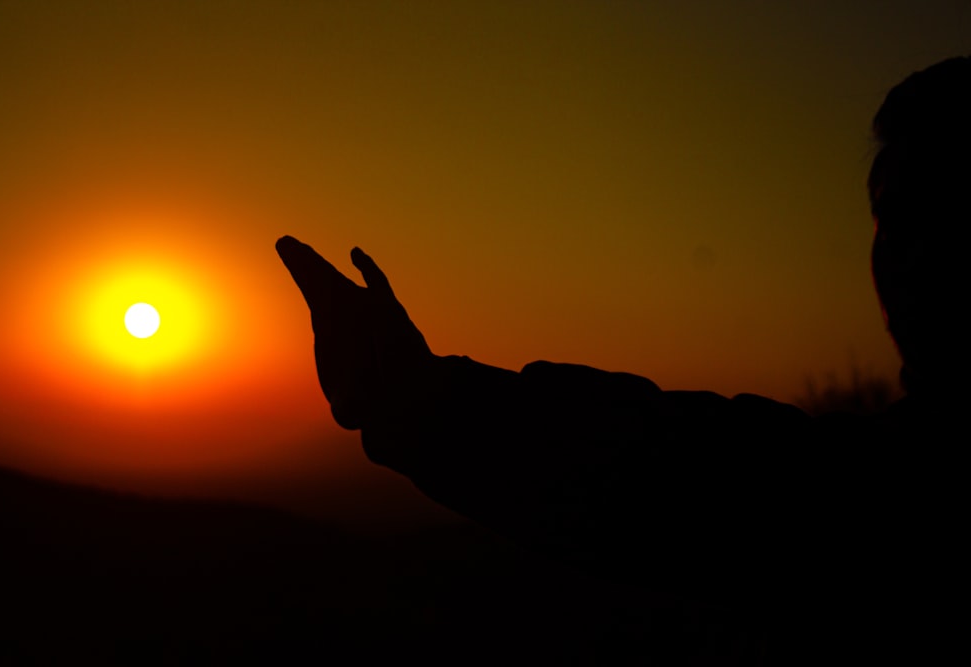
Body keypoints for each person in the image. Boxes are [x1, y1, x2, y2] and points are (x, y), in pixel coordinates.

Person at [276, 57, 968, 662]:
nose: (910, 256)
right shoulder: (883, 477)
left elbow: (690, 479)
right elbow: (706, 472)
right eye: (891, 222)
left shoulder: (899, 507)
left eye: (946, 215)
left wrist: (422, 401)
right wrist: (419, 398)